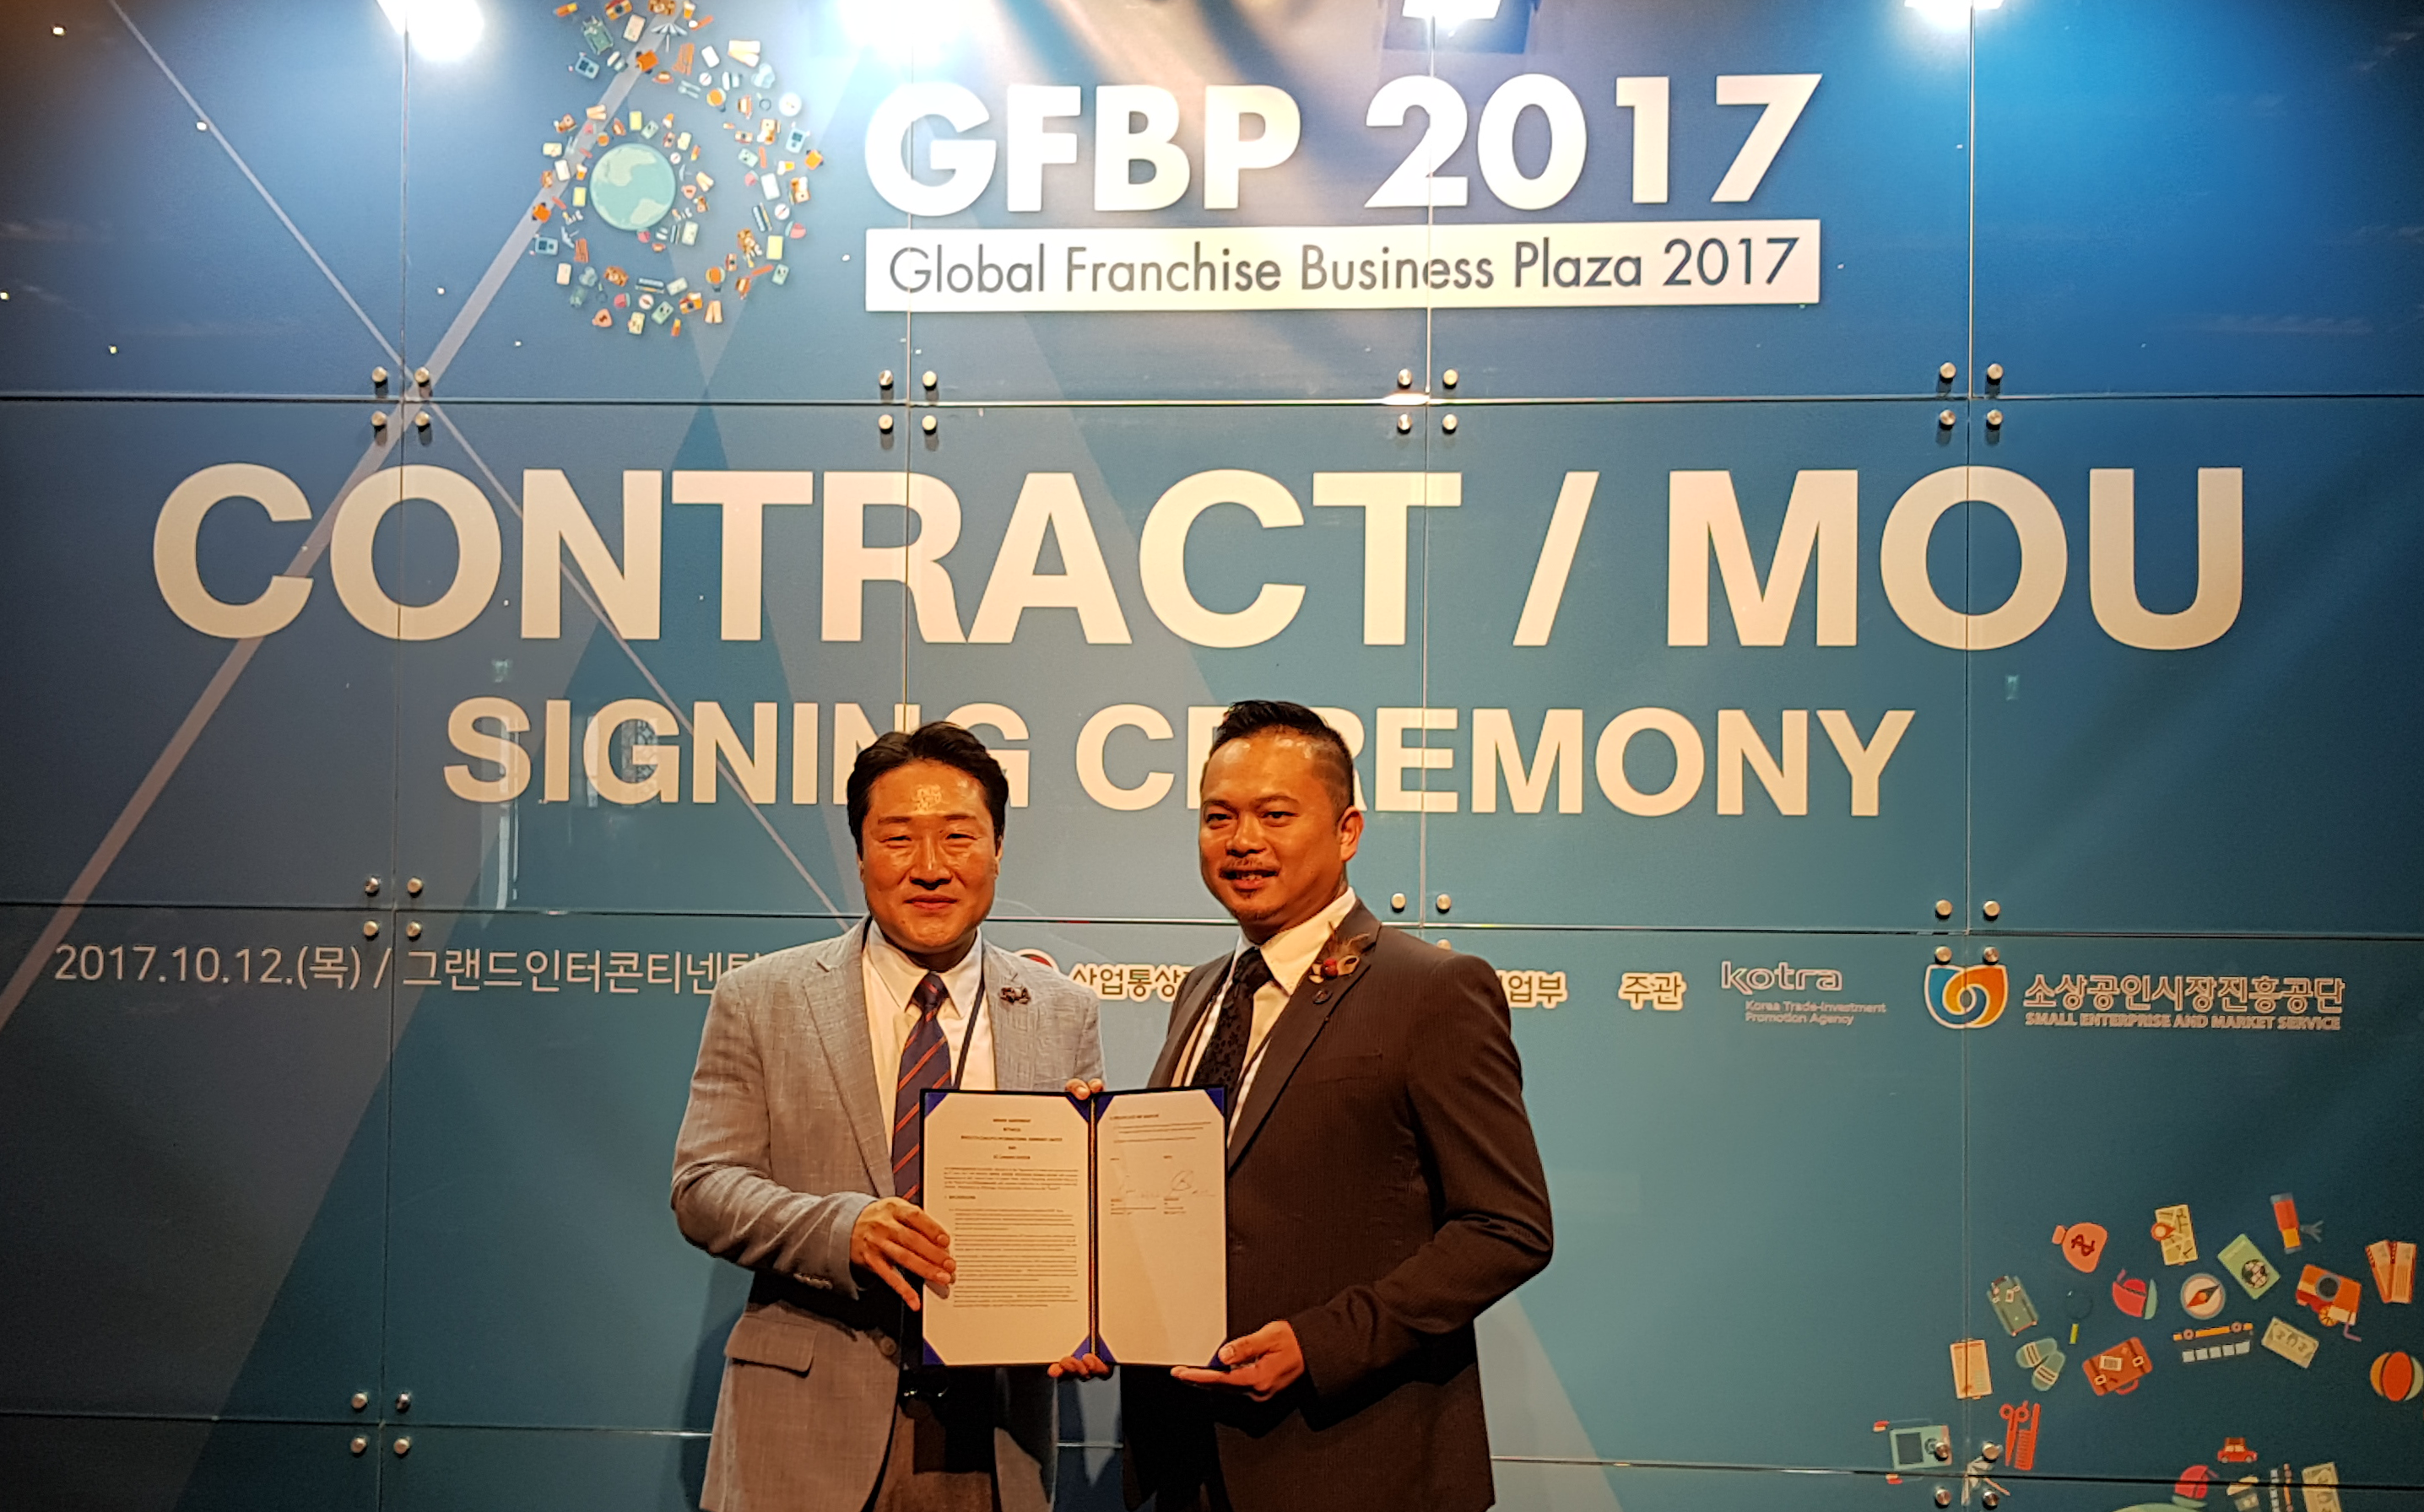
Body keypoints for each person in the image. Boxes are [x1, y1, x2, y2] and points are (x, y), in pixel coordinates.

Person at [1119, 699, 1555, 1512]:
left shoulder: (1432, 990)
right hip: (1188, 1460)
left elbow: (1508, 1227)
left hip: (1354, 1464)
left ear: (1348, 831)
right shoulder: (1201, 992)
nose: (1242, 841)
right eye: (1219, 817)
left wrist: (1318, 1344)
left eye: (1275, 815)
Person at [672, 721, 1105, 1512]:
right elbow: (703, 1187)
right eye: (898, 838)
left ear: (998, 849)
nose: (930, 867)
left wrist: (1090, 1304)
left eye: (959, 837)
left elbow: (1083, 1216)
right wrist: (844, 1230)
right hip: (801, 1431)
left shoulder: (1061, 1010)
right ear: (861, 853)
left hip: (989, 1437)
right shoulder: (762, 997)